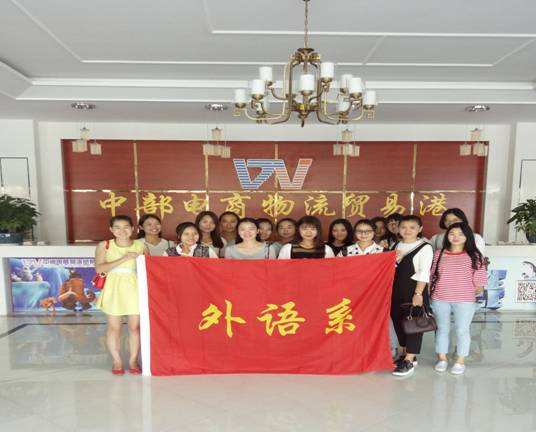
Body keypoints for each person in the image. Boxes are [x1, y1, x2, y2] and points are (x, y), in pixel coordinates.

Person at [95, 215, 149, 375]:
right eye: (117, 228)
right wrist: (124, 258)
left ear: (133, 229)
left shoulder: (141, 245)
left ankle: (133, 360)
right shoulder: (105, 245)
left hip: (135, 288)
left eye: (126, 227)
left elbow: (149, 268)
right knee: (114, 328)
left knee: (135, 328)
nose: (122, 231)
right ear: (111, 230)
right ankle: (117, 361)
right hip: (113, 288)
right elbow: (99, 268)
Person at [430, 222, 487, 375]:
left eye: (461, 234)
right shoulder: (439, 254)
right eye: (452, 234)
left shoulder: (475, 255)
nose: (456, 237)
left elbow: (480, 277)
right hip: (440, 297)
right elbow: (432, 274)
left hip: (465, 299)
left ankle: (460, 361)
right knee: (442, 329)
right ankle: (442, 358)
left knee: (462, 330)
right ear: (447, 236)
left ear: (467, 236)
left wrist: (478, 286)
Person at [391, 215, 434, 377]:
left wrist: (418, 293)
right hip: (396, 290)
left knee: (414, 324)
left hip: (414, 290)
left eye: (412, 227)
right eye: (403, 227)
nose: (407, 230)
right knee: (398, 321)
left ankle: (409, 360)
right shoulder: (396, 245)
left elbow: (424, 272)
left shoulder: (425, 247)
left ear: (420, 229)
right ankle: (405, 353)